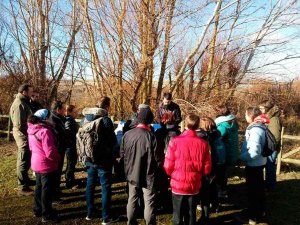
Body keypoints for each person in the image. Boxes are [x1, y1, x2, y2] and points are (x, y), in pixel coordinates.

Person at [164, 113, 211, 225]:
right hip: (194, 184)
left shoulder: (174, 141)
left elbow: (167, 165)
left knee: (177, 215)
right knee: (191, 214)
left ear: (185, 124)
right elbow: (207, 169)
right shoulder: (204, 144)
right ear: (198, 125)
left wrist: (173, 174)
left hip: (177, 184)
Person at [120, 108, 162, 225]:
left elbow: (122, 154)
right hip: (149, 174)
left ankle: (131, 222)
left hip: (132, 173)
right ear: (149, 121)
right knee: (149, 202)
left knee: (132, 199)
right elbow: (158, 159)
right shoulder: (152, 136)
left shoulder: (127, 134)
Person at [83, 97, 118, 224]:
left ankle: (90, 212)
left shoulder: (85, 118)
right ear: (107, 107)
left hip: (89, 157)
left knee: (90, 184)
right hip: (103, 160)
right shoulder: (105, 120)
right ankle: (106, 217)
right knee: (105, 187)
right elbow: (113, 141)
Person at [27, 109, 60, 223]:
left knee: (39, 187)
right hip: (46, 164)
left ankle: (38, 209)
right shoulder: (45, 131)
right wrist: (58, 158)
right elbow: (50, 151)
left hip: (36, 162)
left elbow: (31, 147)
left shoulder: (31, 129)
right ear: (45, 119)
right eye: (50, 117)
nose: (52, 119)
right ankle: (47, 214)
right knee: (47, 190)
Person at [240, 107, 269, 225]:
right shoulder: (261, 126)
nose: (245, 116)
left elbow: (254, 151)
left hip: (254, 164)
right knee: (259, 189)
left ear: (251, 116)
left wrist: (242, 157)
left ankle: (253, 217)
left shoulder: (255, 129)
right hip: (260, 162)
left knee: (253, 191)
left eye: (246, 114)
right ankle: (260, 211)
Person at [196, 117, 226, 224]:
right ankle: (215, 205)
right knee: (213, 186)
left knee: (206, 188)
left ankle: (205, 207)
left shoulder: (207, 137)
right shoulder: (217, 133)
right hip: (216, 164)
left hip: (208, 165)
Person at [10, 83, 34, 195]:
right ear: (24, 92)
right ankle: (23, 187)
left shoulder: (24, 102)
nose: (31, 93)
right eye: (30, 91)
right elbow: (20, 125)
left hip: (26, 134)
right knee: (23, 159)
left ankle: (26, 180)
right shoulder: (19, 104)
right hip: (22, 135)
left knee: (27, 158)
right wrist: (31, 133)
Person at [154, 112, 181, 212]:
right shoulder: (177, 133)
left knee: (162, 185)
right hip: (174, 161)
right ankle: (172, 203)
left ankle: (164, 203)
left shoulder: (158, 132)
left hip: (162, 161)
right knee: (173, 184)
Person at [214, 104, 239, 198]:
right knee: (224, 173)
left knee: (221, 174)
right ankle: (223, 190)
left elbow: (216, 137)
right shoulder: (232, 122)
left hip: (225, 154)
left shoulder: (223, 125)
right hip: (232, 152)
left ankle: (221, 192)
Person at [259, 100, 282, 191]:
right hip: (268, 147)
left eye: (261, 108)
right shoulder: (268, 117)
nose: (260, 109)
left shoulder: (273, 119)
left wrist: (270, 148)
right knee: (268, 166)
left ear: (267, 108)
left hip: (271, 148)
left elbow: (276, 136)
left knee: (270, 167)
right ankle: (268, 184)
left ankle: (270, 186)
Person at [49, 100, 66, 202]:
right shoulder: (53, 120)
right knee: (55, 172)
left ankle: (56, 190)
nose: (64, 111)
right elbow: (58, 135)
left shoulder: (59, 118)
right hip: (57, 149)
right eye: (63, 109)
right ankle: (54, 195)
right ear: (58, 109)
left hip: (61, 147)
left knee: (58, 171)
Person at [64, 104, 79, 188]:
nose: (76, 113)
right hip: (70, 146)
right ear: (69, 112)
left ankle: (71, 179)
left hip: (72, 145)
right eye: (75, 111)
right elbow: (69, 133)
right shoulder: (68, 121)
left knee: (72, 164)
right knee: (70, 164)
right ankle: (69, 182)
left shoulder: (71, 120)